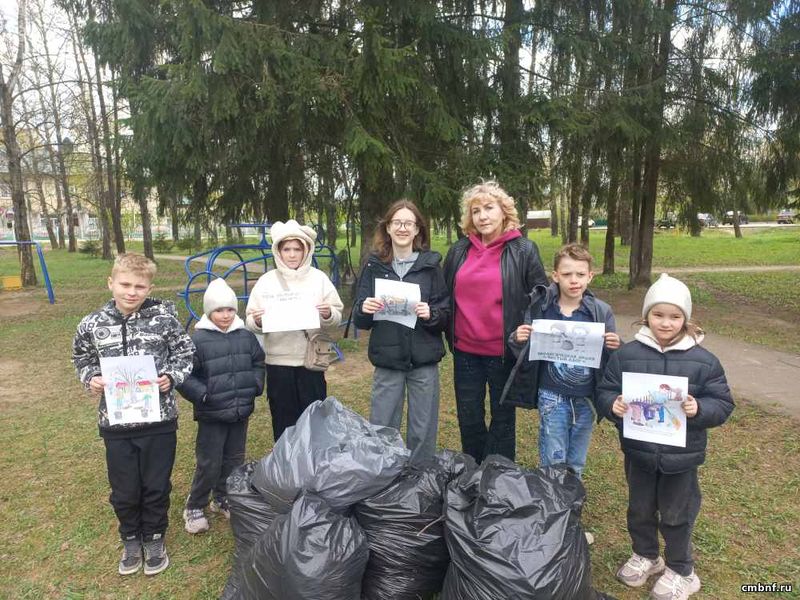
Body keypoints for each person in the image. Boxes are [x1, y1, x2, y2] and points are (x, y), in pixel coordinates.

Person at [596, 273, 734, 599]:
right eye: (658, 314)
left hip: (681, 459)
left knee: (676, 515)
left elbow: (723, 403)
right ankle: (646, 555)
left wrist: (699, 408)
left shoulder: (704, 361)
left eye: (675, 316)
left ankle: (681, 570)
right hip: (639, 452)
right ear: (646, 316)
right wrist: (612, 404)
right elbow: (605, 389)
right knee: (640, 509)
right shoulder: (626, 355)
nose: (666, 323)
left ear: (686, 319)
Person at [72, 253, 194, 576]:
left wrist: (171, 377)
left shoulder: (164, 321)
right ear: (110, 283)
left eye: (140, 286)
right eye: (125, 284)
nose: (131, 292)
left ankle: (154, 537)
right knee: (124, 489)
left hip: (159, 422)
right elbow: (82, 358)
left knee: (156, 485)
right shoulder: (92, 324)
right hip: (116, 424)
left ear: (149, 288)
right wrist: (91, 377)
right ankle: (130, 537)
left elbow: (185, 353)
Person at [443, 181, 548, 463]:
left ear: (504, 211)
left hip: (503, 352)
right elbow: (444, 295)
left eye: (489, 208)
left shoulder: (524, 249)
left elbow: (541, 297)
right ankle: (472, 474)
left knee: (502, 420)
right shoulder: (459, 251)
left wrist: (528, 330)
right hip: (465, 352)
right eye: (476, 211)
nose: (482, 216)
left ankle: (500, 477)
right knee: (469, 418)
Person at [502, 243, 620, 478]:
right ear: (555, 276)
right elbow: (525, 351)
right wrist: (517, 338)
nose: (574, 280)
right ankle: (551, 497)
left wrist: (615, 346)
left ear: (590, 276)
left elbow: (611, 359)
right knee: (553, 456)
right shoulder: (541, 308)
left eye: (580, 274)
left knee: (576, 459)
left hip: (586, 397)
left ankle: (572, 496)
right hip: (551, 396)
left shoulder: (601, 312)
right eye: (567, 274)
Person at [353, 200, 450, 462]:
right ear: (388, 227)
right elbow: (360, 319)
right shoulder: (374, 265)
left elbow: (446, 313)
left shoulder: (431, 266)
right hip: (388, 359)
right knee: (383, 427)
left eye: (409, 223)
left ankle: (419, 477)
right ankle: (385, 476)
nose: (403, 228)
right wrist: (365, 308)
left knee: (422, 429)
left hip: (424, 360)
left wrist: (432, 314)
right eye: (397, 222)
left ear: (418, 229)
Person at [177, 278, 265, 534]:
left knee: (234, 459)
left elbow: (258, 362)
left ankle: (223, 497)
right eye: (218, 310)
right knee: (209, 462)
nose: (225, 315)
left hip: (240, 411)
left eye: (229, 309)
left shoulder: (246, 336)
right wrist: (203, 395)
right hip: (212, 414)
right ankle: (195, 504)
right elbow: (184, 375)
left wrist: (255, 385)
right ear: (208, 312)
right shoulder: (198, 340)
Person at [246, 219, 343, 441]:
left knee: (314, 419)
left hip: (311, 362)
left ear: (306, 250)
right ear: (278, 251)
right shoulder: (267, 281)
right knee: (283, 419)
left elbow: (336, 317)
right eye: (286, 249)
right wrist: (258, 321)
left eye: (297, 249)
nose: (292, 254)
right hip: (278, 363)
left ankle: (313, 460)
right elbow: (250, 320)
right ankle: (286, 460)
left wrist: (327, 313)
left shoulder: (319, 279)